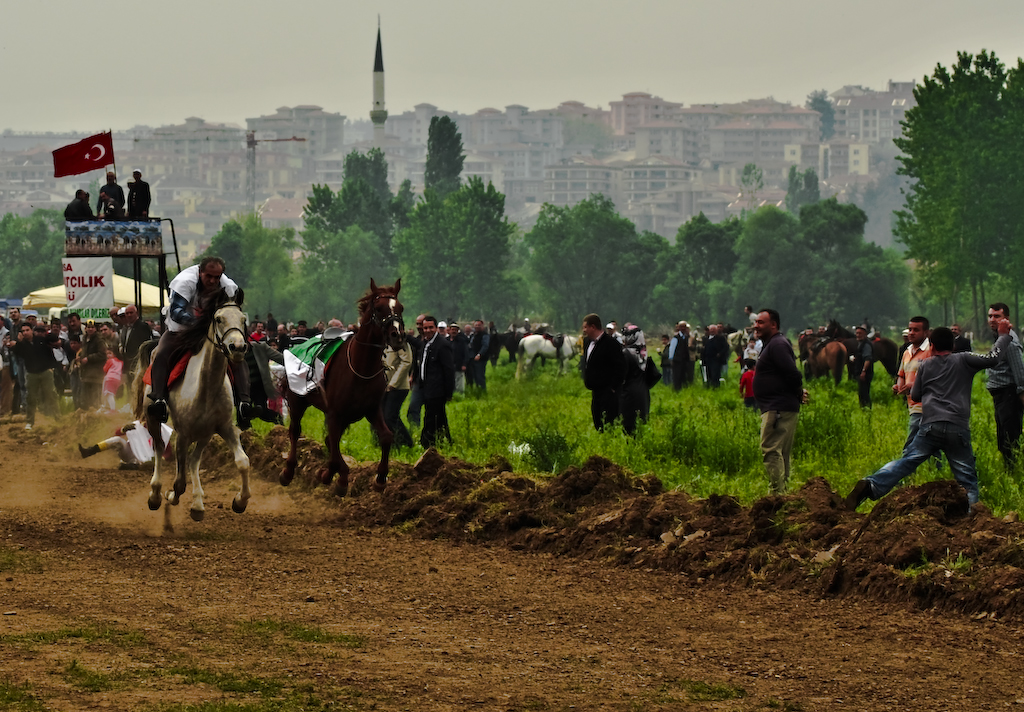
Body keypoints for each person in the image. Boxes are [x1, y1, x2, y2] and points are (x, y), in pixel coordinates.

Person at [845, 321, 1013, 510]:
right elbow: (993, 358)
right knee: (966, 478)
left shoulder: (925, 365)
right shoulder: (964, 359)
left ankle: (872, 484)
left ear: (931, 346)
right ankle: (971, 518)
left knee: (907, 461)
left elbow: (915, 395)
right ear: (953, 346)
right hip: (957, 427)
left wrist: (922, 387)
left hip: (930, 426)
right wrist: (1003, 335)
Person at [147, 257, 253, 424]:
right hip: (181, 329)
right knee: (162, 354)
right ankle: (159, 400)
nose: (212, 281)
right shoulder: (185, 282)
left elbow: (232, 313)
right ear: (200, 272)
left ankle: (244, 404)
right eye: (208, 276)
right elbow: (176, 311)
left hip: (215, 332)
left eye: (216, 277)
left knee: (238, 357)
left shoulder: (229, 287)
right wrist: (199, 324)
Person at [752, 309, 807, 494]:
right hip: (780, 406)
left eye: (761, 322)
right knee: (780, 452)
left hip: (777, 408)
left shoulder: (777, 345)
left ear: (773, 324)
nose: (756, 326)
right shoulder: (774, 344)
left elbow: (792, 373)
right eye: (756, 322)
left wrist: (798, 392)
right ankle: (782, 494)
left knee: (771, 449)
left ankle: (776, 495)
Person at [985, 303, 1024, 469]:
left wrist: (1021, 394)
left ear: (1006, 319)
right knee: (1003, 436)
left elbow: (1019, 373)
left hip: (1009, 395)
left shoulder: (1010, 342)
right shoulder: (1000, 339)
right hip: (1000, 396)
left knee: (1009, 437)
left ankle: (1013, 471)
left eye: (997, 316)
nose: (992, 320)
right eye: (990, 316)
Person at [893, 316, 932, 456]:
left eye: (916, 330)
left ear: (926, 332)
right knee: (930, 442)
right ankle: (937, 469)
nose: (911, 333)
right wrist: (899, 386)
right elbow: (901, 374)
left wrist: (913, 385)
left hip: (926, 404)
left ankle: (900, 471)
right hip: (912, 403)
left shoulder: (931, 351)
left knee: (911, 442)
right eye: (910, 329)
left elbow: (934, 376)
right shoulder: (906, 352)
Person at [581, 313, 626, 431]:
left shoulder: (611, 344)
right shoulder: (587, 343)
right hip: (595, 390)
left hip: (608, 391)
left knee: (608, 422)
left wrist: (613, 387)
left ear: (593, 327)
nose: (584, 330)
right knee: (597, 420)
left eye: (585, 327)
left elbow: (621, 367)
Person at [416, 316, 454, 448]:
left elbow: (449, 370)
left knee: (430, 417)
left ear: (436, 328)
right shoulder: (424, 344)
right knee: (440, 417)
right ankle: (446, 442)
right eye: (425, 328)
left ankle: (425, 444)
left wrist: (449, 392)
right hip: (426, 387)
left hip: (437, 389)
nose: (427, 330)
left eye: (430, 327)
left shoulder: (442, 345)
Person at [12, 323, 59, 430]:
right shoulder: (22, 344)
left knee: (51, 395)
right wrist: (18, 343)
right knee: (31, 398)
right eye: (23, 331)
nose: (25, 333)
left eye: (27, 330)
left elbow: (54, 338)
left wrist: (45, 332)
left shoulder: (40, 339)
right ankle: (30, 421)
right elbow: (17, 353)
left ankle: (58, 417)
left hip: (45, 371)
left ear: (32, 330)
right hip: (31, 373)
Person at [78, 420, 173, 470]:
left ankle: (130, 465)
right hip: (129, 451)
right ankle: (90, 451)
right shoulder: (137, 425)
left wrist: (161, 459)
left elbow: (168, 454)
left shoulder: (161, 432)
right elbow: (116, 433)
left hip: (143, 459)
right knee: (117, 440)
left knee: (144, 458)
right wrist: (123, 429)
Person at [618, 325, 650, 435]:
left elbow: (621, 375)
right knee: (640, 423)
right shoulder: (644, 353)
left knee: (628, 425)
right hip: (643, 392)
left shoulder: (625, 353)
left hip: (629, 393)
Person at [383, 339, 414, 448]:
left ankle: (407, 442)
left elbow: (406, 362)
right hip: (384, 386)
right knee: (384, 416)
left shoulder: (400, 342)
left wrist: (393, 384)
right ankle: (392, 442)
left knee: (390, 416)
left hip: (398, 387)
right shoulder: (382, 341)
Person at [77, 319, 107, 410]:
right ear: (85, 328)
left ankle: (96, 416)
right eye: (88, 327)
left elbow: (102, 354)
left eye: (92, 327)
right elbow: (84, 351)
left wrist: (89, 358)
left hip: (96, 374)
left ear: (95, 329)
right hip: (86, 373)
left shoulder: (99, 339)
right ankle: (86, 416)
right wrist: (80, 358)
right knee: (85, 397)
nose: (90, 329)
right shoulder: (85, 338)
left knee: (95, 398)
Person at [118, 304, 152, 379]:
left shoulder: (142, 326)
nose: (129, 315)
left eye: (131, 313)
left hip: (138, 362)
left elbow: (145, 344)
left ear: (136, 313)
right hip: (127, 363)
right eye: (127, 313)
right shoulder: (125, 328)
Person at [852, 325, 873, 408]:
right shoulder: (860, 344)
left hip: (864, 373)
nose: (858, 335)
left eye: (860, 333)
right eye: (857, 333)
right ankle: (864, 408)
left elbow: (868, 359)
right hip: (860, 372)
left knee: (864, 392)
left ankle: (867, 408)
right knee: (861, 392)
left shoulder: (866, 345)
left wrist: (863, 371)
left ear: (865, 334)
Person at [466, 320, 490, 392]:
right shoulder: (474, 335)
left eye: (479, 325)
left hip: (481, 359)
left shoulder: (484, 335)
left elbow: (485, 346)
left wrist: (479, 354)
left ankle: (482, 391)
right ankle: (477, 390)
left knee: (480, 376)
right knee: (475, 376)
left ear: (482, 326)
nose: (477, 326)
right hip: (473, 358)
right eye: (476, 325)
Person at [446, 321, 468, 395]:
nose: (454, 331)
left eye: (456, 330)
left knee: (459, 382)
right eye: (452, 329)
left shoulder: (461, 340)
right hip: (449, 365)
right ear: (450, 330)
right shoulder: (446, 340)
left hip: (459, 364)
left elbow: (465, 353)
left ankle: (460, 395)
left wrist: (464, 364)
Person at [701, 324, 727, 389]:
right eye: (711, 330)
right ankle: (709, 386)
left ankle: (715, 387)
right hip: (707, 359)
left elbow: (725, 347)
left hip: (716, 360)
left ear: (716, 330)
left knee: (715, 374)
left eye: (713, 330)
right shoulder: (706, 339)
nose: (712, 331)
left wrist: (720, 354)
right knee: (708, 374)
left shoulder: (720, 338)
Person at [101, 347, 123, 412]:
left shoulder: (110, 361)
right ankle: (107, 406)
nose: (108, 355)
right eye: (107, 354)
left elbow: (105, 369)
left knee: (109, 394)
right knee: (111, 393)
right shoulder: (120, 362)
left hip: (110, 378)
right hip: (117, 379)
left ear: (114, 354)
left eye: (110, 353)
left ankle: (112, 409)